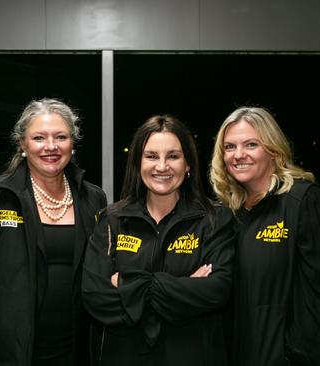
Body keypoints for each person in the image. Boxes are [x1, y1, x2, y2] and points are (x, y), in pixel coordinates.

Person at [0, 98, 107, 366]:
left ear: (72, 142)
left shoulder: (93, 198)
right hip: (4, 353)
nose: (51, 147)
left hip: (75, 350)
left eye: (61, 137)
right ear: (22, 144)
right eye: (39, 138)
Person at [82, 115, 235, 366]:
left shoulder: (215, 219)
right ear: (137, 163)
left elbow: (216, 291)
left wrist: (127, 285)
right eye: (151, 156)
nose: (162, 166)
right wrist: (184, 286)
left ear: (188, 164)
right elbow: (95, 297)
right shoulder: (112, 220)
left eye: (173, 156)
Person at [209, 107, 320, 366]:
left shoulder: (306, 202)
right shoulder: (229, 213)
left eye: (251, 144)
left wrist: (293, 359)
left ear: (273, 150)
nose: (238, 155)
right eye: (229, 147)